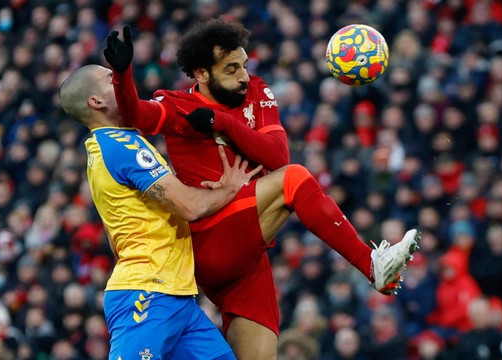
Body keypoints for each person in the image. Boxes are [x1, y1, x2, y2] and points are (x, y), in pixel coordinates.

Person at [104, 21, 419, 359]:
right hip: (211, 235)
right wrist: (123, 75)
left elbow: (277, 154)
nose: (243, 76)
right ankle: (372, 266)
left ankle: (379, 274)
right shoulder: (178, 105)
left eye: (244, 65)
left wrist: (222, 123)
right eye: (231, 68)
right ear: (201, 74)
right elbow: (135, 114)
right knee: (294, 180)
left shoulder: (256, 91)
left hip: (247, 257)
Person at [59, 64, 264, 360]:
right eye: (111, 79)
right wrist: (230, 188)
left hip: (177, 294)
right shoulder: (121, 145)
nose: (121, 82)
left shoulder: (105, 148)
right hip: (147, 293)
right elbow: (190, 206)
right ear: (96, 101)